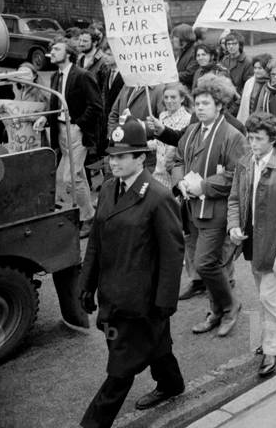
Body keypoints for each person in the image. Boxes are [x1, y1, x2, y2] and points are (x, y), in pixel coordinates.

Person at [78, 117, 185, 428]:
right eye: (112, 156)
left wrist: (165, 301)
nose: (114, 163)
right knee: (155, 345)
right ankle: (171, 383)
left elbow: (172, 253)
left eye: (123, 156)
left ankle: (93, 423)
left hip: (141, 302)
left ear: (141, 157)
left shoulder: (158, 196)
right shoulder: (110, 188)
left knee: (121, 368)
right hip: (113, 295)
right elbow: (96, 241)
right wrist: (87, 284)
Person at [226, 112, 276, 378]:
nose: (252, 143)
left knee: (267, 296)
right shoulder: (245, 162)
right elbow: (235, 199)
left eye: (258, 138)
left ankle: (271, 349)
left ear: (273, 140)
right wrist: (233, 226)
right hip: (254, 245)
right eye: (250, 137)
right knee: (268, 294)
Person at [169, 76, 248, 335]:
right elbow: (176, 158)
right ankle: (215, 311)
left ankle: (230, 306)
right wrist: (180, 181)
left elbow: (238, 173)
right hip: (191, 208)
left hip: (217, 211)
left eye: (206, 103)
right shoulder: (192, 131)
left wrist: (204, 186)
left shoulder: (232, 135)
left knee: (204, 263)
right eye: (198, 103)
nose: (200, 108)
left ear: (220, 106)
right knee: (208, 262)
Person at [33, 38, 102, 238]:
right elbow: (55, 104)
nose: (51, 52)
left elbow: (96, 105)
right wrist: (44, 118)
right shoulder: (56, 75)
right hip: (61, 130)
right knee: (75, 176)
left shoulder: (82, 75)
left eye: (56, 49)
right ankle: (86, 214)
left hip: (76, 131)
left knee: (69, 176)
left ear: (69, 53)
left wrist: (79, 124)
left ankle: (86, 217)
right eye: (51, 49)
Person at [148, 83, 193, 188]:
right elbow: (160, 143)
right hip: (158, 174)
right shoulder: (162, 116)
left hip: (176, 176)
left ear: (182, 99)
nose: (169, 100)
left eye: (173, 97)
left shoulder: (189, 119)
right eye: (166, 97)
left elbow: (178, 142)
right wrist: (142, 144)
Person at [220, 32, 254, 98]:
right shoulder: (225, 59)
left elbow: (249, 86)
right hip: (226, 96)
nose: (231, 46)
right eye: (228, 44)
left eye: (234, 44)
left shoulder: (247, 62)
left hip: (240, 98)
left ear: (240, 45)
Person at [171, 24, 200, 89]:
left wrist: (171, 76)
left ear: (183, 38)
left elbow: (190, 74)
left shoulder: (194, 51)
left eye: (175, 36)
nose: (173, 40)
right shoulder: (185, 50)